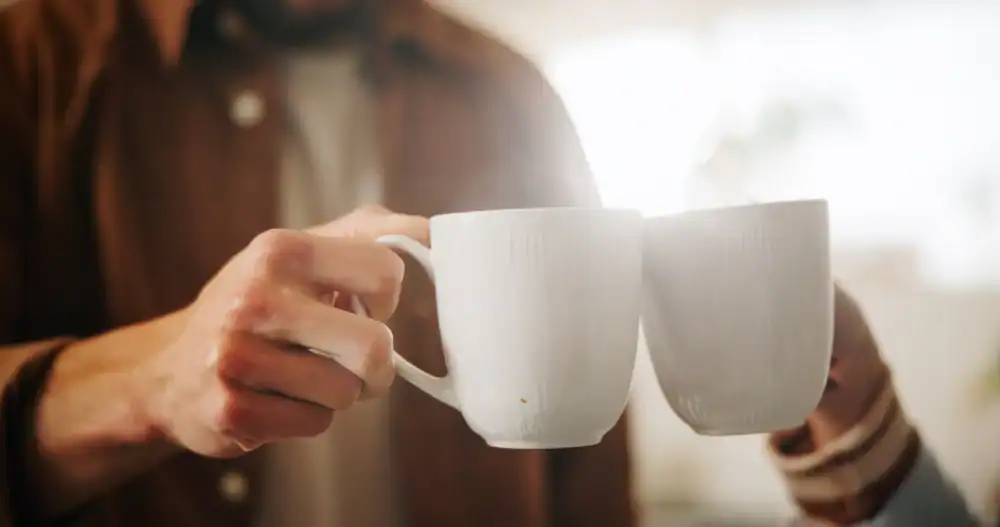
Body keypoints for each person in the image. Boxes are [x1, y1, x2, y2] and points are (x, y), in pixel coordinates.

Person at [0, 0, 983, 526]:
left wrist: (852, 432)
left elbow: (591, 483)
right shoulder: (29, 66)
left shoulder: (511, 91)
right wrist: (143, 384)